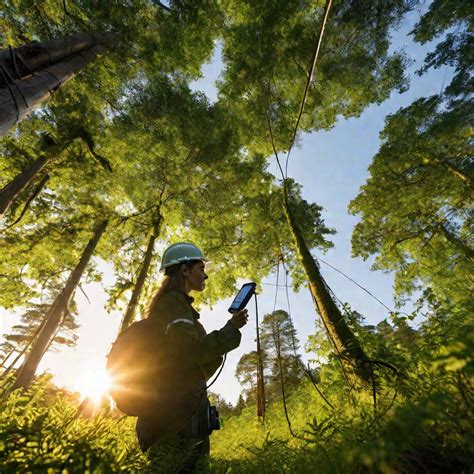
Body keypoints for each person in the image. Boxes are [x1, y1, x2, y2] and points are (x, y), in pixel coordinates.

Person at [136, 242, 248, 473]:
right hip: (172, 422)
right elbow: (190, 353)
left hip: (185, 420)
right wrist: (230, 329)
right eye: (201, 268)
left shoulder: (179, 308)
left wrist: (229, 334)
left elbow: (195, 367)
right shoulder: (173, 304)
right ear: (185, 270)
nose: (205, 275)